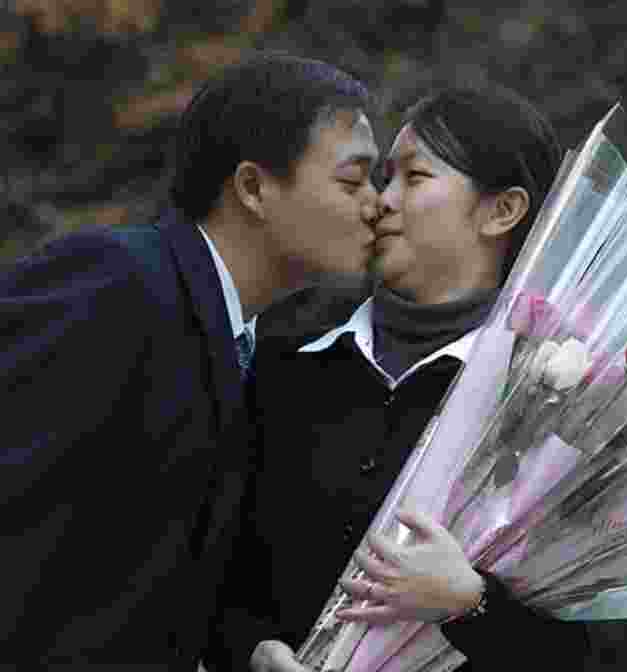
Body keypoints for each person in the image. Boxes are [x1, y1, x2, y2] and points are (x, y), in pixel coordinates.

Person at [0, 52, 380, 670]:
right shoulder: (118, 283)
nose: (376, 204)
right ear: (254, 187)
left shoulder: (242, 347)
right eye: (352, 180)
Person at [207, 86, 591, 672]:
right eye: (382, 178)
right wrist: (252, 653)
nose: (379, 201)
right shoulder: (282, 366)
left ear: (501, 211)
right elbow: (200, 569)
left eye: (413, 177)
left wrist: (471, 604)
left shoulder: (550, 411)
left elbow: (588, 651)